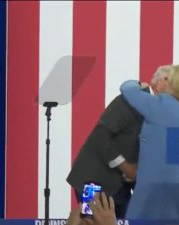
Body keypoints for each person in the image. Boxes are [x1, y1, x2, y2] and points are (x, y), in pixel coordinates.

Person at [66, 65, 172, 218]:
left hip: (121, 187)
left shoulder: (162, 114)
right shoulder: (130, 101)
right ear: (161, 82)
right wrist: (125, 166)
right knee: (92, 222)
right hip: (94, 180)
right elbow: (101, 135)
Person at [120, 65, 179, 225]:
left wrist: (140, 85)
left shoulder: (157, 105)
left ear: (173, 84)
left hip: (153, 191)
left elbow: (127, 88)